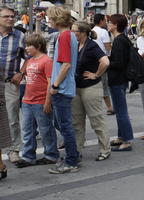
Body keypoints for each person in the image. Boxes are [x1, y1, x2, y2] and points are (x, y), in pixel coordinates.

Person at [15, 33, 59, 168]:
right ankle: (28, 156)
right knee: (27, 130)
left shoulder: (46, 61)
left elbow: (50, 83)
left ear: (38, 46)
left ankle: (51, 155)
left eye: (29, 46)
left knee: (46, 129)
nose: (26, 48)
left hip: (40, 102)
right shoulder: (30, 61)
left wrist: (47, 102)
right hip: (27, 101)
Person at [70, 21, 112, 161]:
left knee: (96, 121)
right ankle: (77, 151)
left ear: (82, 32)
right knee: (76, 122)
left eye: (74, 30)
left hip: (90, 87)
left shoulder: (92, 46)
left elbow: (105, 62)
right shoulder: (75, 45)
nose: (72, 32)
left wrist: (96, 74)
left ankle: (105, 149)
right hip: (76, 87)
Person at [46, 6, 80, 174]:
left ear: (57, 20)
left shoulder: (65, 36)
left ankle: (71, 161)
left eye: (50, 18)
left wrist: (55, 85)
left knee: (65, 126)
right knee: (62, 124)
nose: (48, 21)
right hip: (64, 87)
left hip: (62, 88)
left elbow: (65, 64)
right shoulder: (68, 35)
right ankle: (73, 155)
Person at [0, 6, 25, 163]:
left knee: (12, 118)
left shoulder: (20, 36)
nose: (10, 19)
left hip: (10, 83)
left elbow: (30, 57)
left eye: (12, 16)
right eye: (6, 17)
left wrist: (20, 73)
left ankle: (14, 149)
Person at [107, 14, 135, 151]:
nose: (108, 24)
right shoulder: (122, 39)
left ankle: (127, 140)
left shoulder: (119, 41)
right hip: (120, 79)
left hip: (118, 79)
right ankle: (121, 136)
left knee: (121, 111)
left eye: (110, 22)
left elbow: (118, 63)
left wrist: (106, 61)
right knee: (119, 110)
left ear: (116, 25)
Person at [92, 14, 114, 115]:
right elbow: (108, 47)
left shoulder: (91, 31)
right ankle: (109, 107)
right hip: (102, 60)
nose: (106, 22)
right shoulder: (103, 32)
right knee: (104, 85)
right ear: (101, 21)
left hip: (92, 60)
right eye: (105, 20)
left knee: (94, 84)